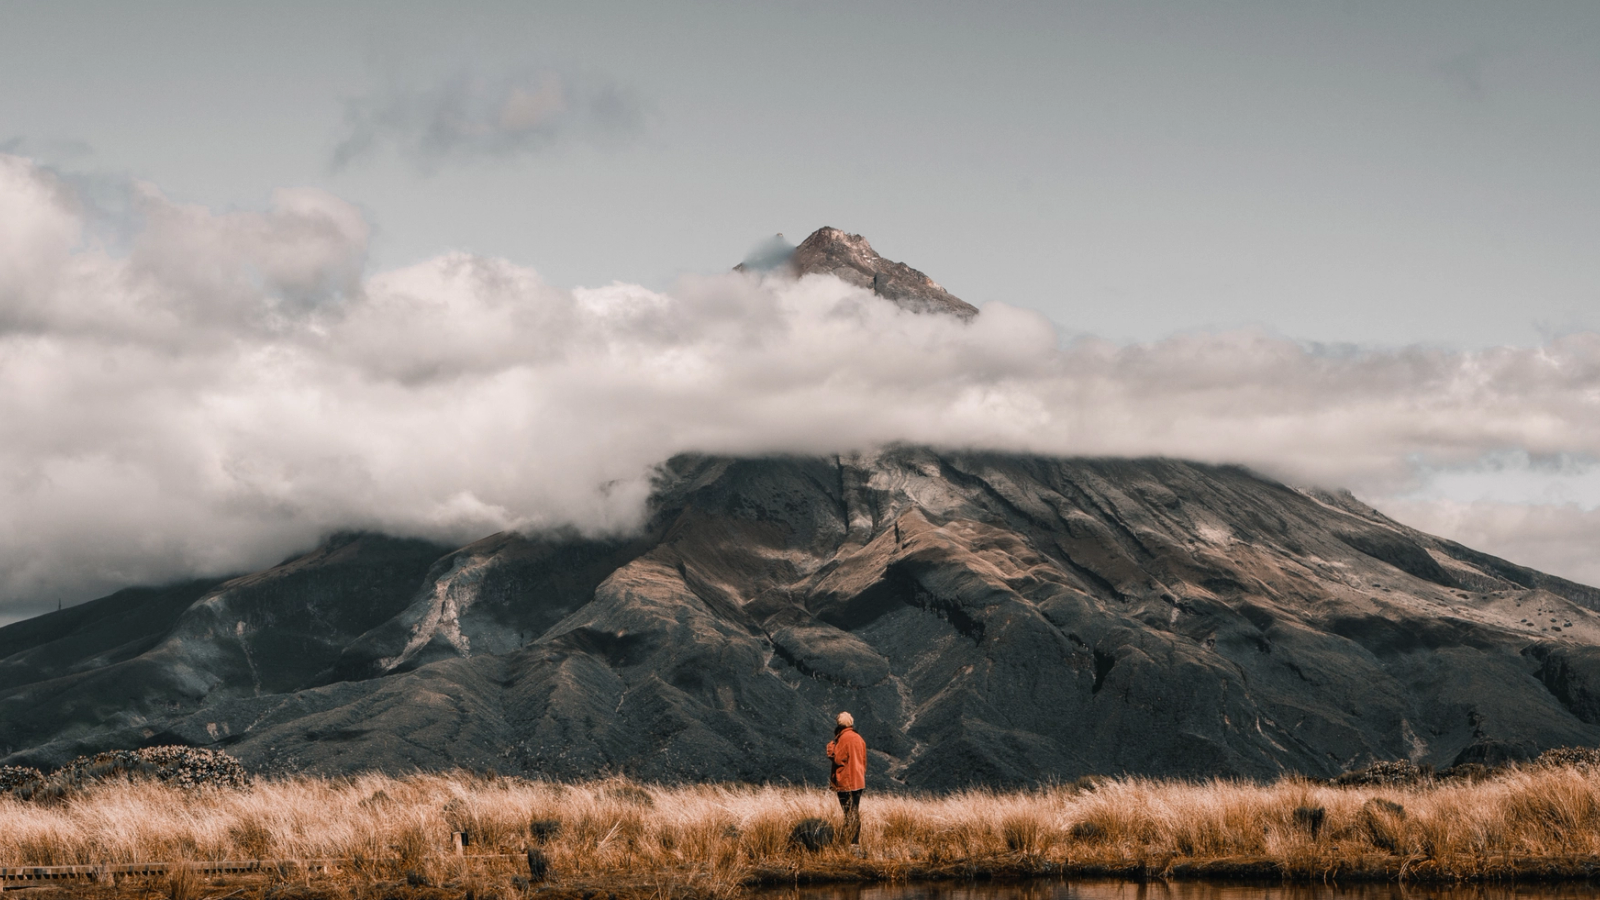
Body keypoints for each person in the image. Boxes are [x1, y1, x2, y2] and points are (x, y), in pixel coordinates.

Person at [825, 711, 866, 846]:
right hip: (858, 781)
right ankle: (855, 842)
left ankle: (850, 842)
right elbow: (863, 761)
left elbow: (838, 759)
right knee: (854, 811)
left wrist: (831, 747)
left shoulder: (843, 739)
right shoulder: (859, 738)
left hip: (845, 781)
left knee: (848, 813)